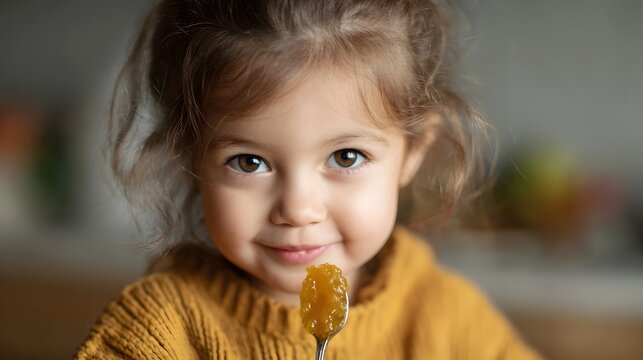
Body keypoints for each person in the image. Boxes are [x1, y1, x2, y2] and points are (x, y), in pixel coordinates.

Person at [76, 0, 541, 358]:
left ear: (413, 151)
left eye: (346, 155)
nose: (298, 208)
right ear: (190, 155)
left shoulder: (446, 319)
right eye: (249, 162)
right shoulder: (160, 331)